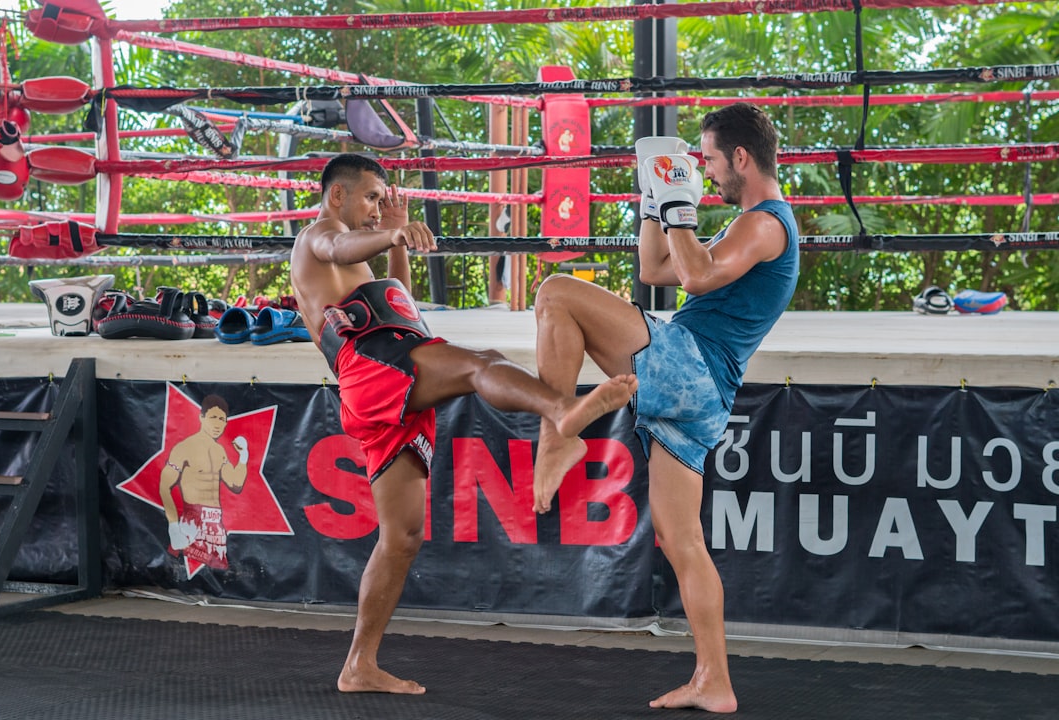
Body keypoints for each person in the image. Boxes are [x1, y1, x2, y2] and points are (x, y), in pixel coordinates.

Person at [289, 153, 637, 696]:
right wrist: (393, 232)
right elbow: (339, 247)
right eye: (372, 197)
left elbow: (398, 299)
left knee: (402, 536)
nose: (380, 207)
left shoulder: (355, 257)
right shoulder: (322, 235)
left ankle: (358, 664)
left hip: (381, 378)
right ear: (338, 196)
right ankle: (560, 412)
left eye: (384, 200)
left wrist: (396, 243)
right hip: (375, 365)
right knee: (482, 362)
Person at [532, 102, 799, 713]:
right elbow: (659, 268)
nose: (705, 171)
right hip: (704, 397)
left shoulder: (765, 223)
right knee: (685, 542)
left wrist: (680, 205)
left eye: (707, 159)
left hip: (690, 365)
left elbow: (698, 278)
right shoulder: (748, 228)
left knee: (554, 293)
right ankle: (715, 680)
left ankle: (557, 436)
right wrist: (657, 200)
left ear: (740, 157)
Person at [159, 394, 248, 570]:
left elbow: (235, 482)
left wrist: (244, 455)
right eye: (213, 417)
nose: (217, 423)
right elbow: (164, 486)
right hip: (192, 519)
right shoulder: (184, 448)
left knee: (219, 575)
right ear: (201, 418)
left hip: (216, 522)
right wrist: (174, 527)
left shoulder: (220, 451)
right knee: (188, 574)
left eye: (222, 419)